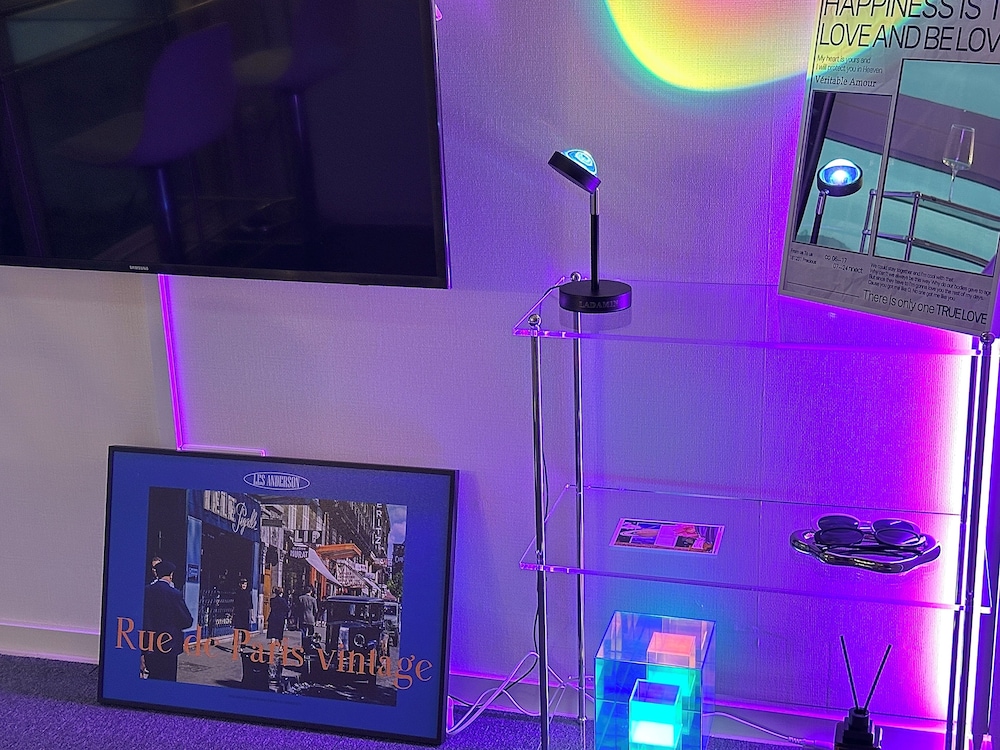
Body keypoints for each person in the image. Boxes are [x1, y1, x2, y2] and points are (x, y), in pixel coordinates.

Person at [143, 560, 193, 681]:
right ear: (171, 575)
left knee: (153, 676)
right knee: (168, 678)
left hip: (150, 644)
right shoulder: (174, 594)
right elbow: (187, 621)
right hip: (169, 645)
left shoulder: (147, 591)